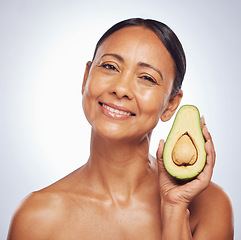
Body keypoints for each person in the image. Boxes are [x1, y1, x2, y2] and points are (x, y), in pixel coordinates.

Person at [7, 18, 233, 239]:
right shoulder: (35, 217)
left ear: (171, 105)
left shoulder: (211, 206)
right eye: (109, 66)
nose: (121, 88)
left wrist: (174, 207)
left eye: (146, 78)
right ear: (86, 77)